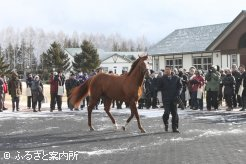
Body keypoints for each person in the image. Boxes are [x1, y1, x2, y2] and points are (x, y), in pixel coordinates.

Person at [159, 66, 182, 133]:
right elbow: (158, 87)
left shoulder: (176, 78)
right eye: (165, 69)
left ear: (171, 70)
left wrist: (178, 93)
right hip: (166, 98)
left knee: (174, 113)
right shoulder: (162, 78)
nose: (166, 71)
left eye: (168, 69)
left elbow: (180, 86)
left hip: (174, 98)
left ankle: (175, 128)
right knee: (166, 112)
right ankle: (166, 123)